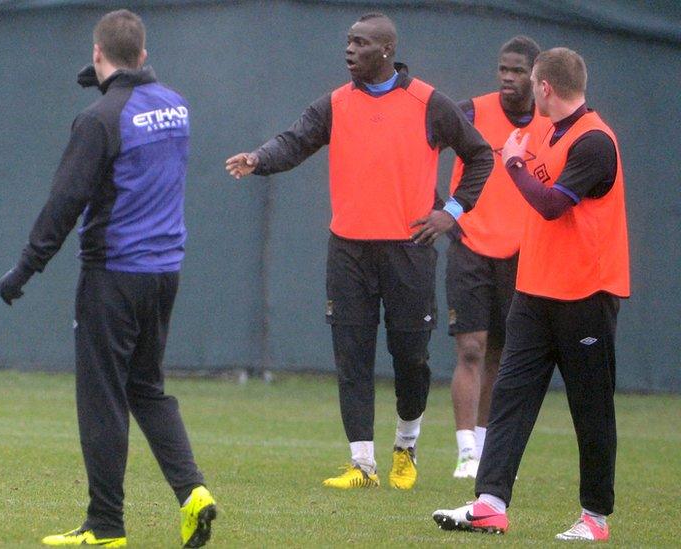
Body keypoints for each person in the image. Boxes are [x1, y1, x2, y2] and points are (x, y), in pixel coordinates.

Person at [225, 12, 493, 490]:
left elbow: (481, 155)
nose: (349, 51)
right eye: (348, 42)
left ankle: (406, 445)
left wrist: (451, 212)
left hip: (409, 249)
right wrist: (259, 159)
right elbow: (295, 141)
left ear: (386, 50)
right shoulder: (334, 104)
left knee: (411, 357)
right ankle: (362, 465)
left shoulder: (429, 103)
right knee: (352, 355)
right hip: (348, 249)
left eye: (361, 43)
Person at [0, 10, 216, 548]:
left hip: (114, 273)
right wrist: (111, 83)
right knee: (147, 389)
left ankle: (106, 525)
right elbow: (131, 100)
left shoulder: (99, 120)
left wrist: (24, 268)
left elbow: (65, 202)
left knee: (103, 398)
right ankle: (193, 493)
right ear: (143, 55)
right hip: (165, 272)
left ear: (98, 54)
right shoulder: (175, 106)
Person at [433, 47, 629, 542]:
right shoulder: (543, 129)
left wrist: (516, 165)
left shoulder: (595, 142)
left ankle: (595, 518)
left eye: (531, 83)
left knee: (591, 409)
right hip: (536, 292)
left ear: (544, 88)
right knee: (511, 400)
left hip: (586, 295)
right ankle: (490, 503)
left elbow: (551, 206)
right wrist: (520, 155)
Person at [445, 36, 552, 479]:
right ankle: (465, 449)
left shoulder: (549, 126)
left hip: (522, 250)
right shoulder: (470, 112)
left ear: (537, 77)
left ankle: (487, 447)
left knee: (500, 352)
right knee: (470, 348)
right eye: (501, 69)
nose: (507, 77)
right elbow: (420, 143)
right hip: (470, 244)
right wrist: (444, 210)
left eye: (516, 71)